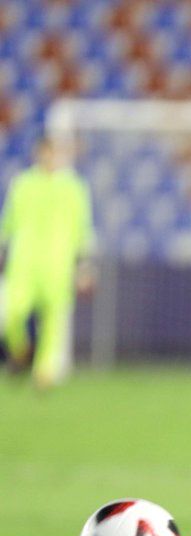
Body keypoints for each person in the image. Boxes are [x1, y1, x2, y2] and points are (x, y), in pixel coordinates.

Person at [0, 136, 94, 390]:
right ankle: (20, 351)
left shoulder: (73, 188)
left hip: (58, 263)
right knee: (13, 314)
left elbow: (82, 229)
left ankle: (44, 373)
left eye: (54, 154)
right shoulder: (23, 184)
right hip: (23, 263)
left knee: (54, 321)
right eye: (46, 153)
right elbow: (8, 221)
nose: (50, 159)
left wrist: (83, 265)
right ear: (38, 154)